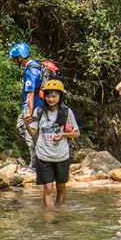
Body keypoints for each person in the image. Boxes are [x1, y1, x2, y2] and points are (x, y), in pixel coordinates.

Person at [24, 79, 80, 209]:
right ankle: (49, 216)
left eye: (54, 96)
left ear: (60, 96)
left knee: (61, 186)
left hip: (61, 155)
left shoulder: (66, 112)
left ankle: (59, 211)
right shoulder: (39, 111)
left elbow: (76, 133)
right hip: (43, 155)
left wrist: (63, 135)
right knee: (48, 188)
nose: (51, 99)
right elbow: (33, 134)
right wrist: (27, 123)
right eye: (48, 96)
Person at [9, 42, 43, 175]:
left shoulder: (30, 71)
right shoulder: (36, 66)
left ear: (20, 57)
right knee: (22, 129)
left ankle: (35, 166)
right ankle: (39, 162)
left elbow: (30, 95)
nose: (13, 61)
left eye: (14, 58)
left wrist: (28, 114)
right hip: (36, 107)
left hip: (33, 108)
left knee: (31, 136)